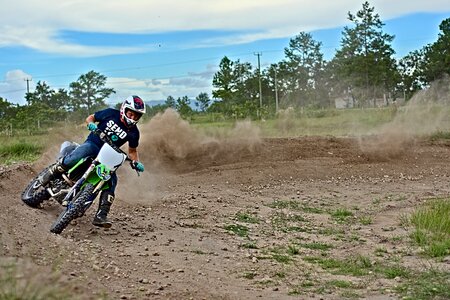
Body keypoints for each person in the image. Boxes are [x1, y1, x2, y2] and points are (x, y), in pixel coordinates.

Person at [40, 95, 146, 228]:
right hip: (93, 144)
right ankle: (53, 170)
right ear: (124, 109)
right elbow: (91, 117)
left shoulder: (134, 132)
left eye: (137, 116)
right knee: (83, 152)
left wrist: (136, 163)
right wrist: (90, 124)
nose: (133, 118)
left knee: (112, 180)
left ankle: (101, 215)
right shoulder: (110, 113)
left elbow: (132, 151)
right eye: (131, 114)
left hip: (108, 156)